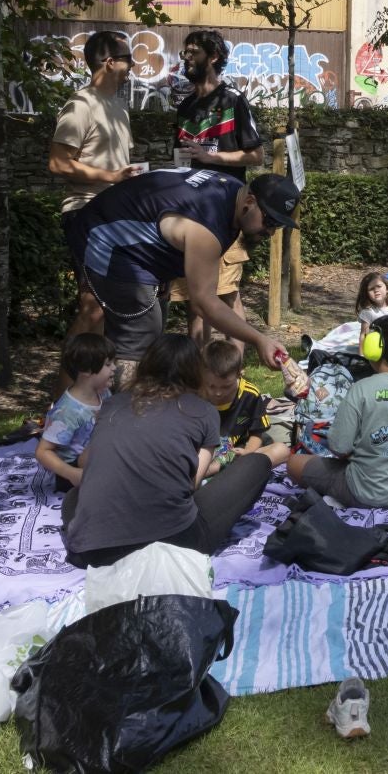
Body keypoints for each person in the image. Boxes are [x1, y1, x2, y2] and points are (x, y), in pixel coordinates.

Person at [64, 166, 296, 389]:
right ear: (249, 203)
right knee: (142, 335)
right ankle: (124, 419)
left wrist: (163, 271)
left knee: (125, 327)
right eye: (270, 222)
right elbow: (205, 303)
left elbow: (161, 210)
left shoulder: (231, 190)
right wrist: (259, 339)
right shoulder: (207, 223)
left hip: (117, 234)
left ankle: (69, 408)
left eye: (279, 226)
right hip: (106, 241)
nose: (271, 232)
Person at [62, 334, 280, 568]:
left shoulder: (113, 404)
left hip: (92, 552)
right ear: (196, 373)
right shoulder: (204, 412)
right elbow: (192, 483)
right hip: (173, 547)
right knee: (255, 464)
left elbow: (90, 461)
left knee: (75, 496)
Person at [171, 30, 265, 337]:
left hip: (225, 212)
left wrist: (213, 159)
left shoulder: (233, 101)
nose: (187, 58)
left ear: (213, 57)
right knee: (193, 297)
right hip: (189, 213)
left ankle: (234, 372)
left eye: (194, 52)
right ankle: (197, 371)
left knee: (225, 293)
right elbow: (180, 158)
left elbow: (256, 155)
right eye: (185, 52)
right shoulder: (184, 109)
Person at [287, 316, 388, 509]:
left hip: (365, 492)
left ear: (375, 347)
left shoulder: (361, 389)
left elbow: (339, 447)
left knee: (294, 463)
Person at [49, 29, 137, 338]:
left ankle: (94, 381)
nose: (134, 65)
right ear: (110, 62)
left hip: (114, 215)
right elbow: (58, 163)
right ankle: (69, 383)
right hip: (86, 212)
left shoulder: (118, 107)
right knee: (92, 307)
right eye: (129, 59)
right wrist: (112, 177)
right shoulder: (80, 105)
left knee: (108, 306)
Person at [36, 333, 117, 492]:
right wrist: (71, 473)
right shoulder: (68, 411)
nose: (114, 368)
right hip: (74, 473)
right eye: (108, 364)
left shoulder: (103, 393)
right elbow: (43, 451)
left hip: (96, 457)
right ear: (86, 370)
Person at [200, 338, 289, 460]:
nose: (218, 392)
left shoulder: (250, 395)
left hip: (239, 450)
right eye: (211, 386)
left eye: (226, 386)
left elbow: (257, 433)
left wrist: (248, 451)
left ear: (239, 373)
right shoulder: (196, 393)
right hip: (206, 451)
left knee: (280, 449)